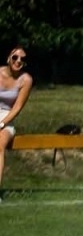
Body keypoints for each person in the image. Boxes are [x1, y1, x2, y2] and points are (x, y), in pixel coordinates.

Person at [0, 47, 35, 200]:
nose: (18, 61)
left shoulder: (26, 80)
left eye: (22, 59)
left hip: (7, 116)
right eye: (15, 57)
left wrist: (2, 123)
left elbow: (17, 107)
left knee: (0, 144)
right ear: (8, 58)